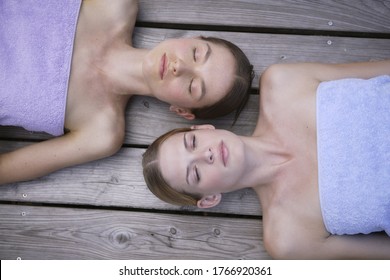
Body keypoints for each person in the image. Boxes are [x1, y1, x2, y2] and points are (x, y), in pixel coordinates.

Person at [142, 59, 390, 259]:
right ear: (209, 199)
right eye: (195, 173)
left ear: (203, 129)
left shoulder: (281, 83)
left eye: (192, 143)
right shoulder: (288, 237)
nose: (205, 155)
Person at [0, 0, 253, 185]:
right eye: (197, 53)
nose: (180, 66)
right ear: (196, 37)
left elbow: (7, 169)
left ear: (182, 111)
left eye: (192, 86)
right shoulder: (117, 5)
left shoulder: (102, 132)